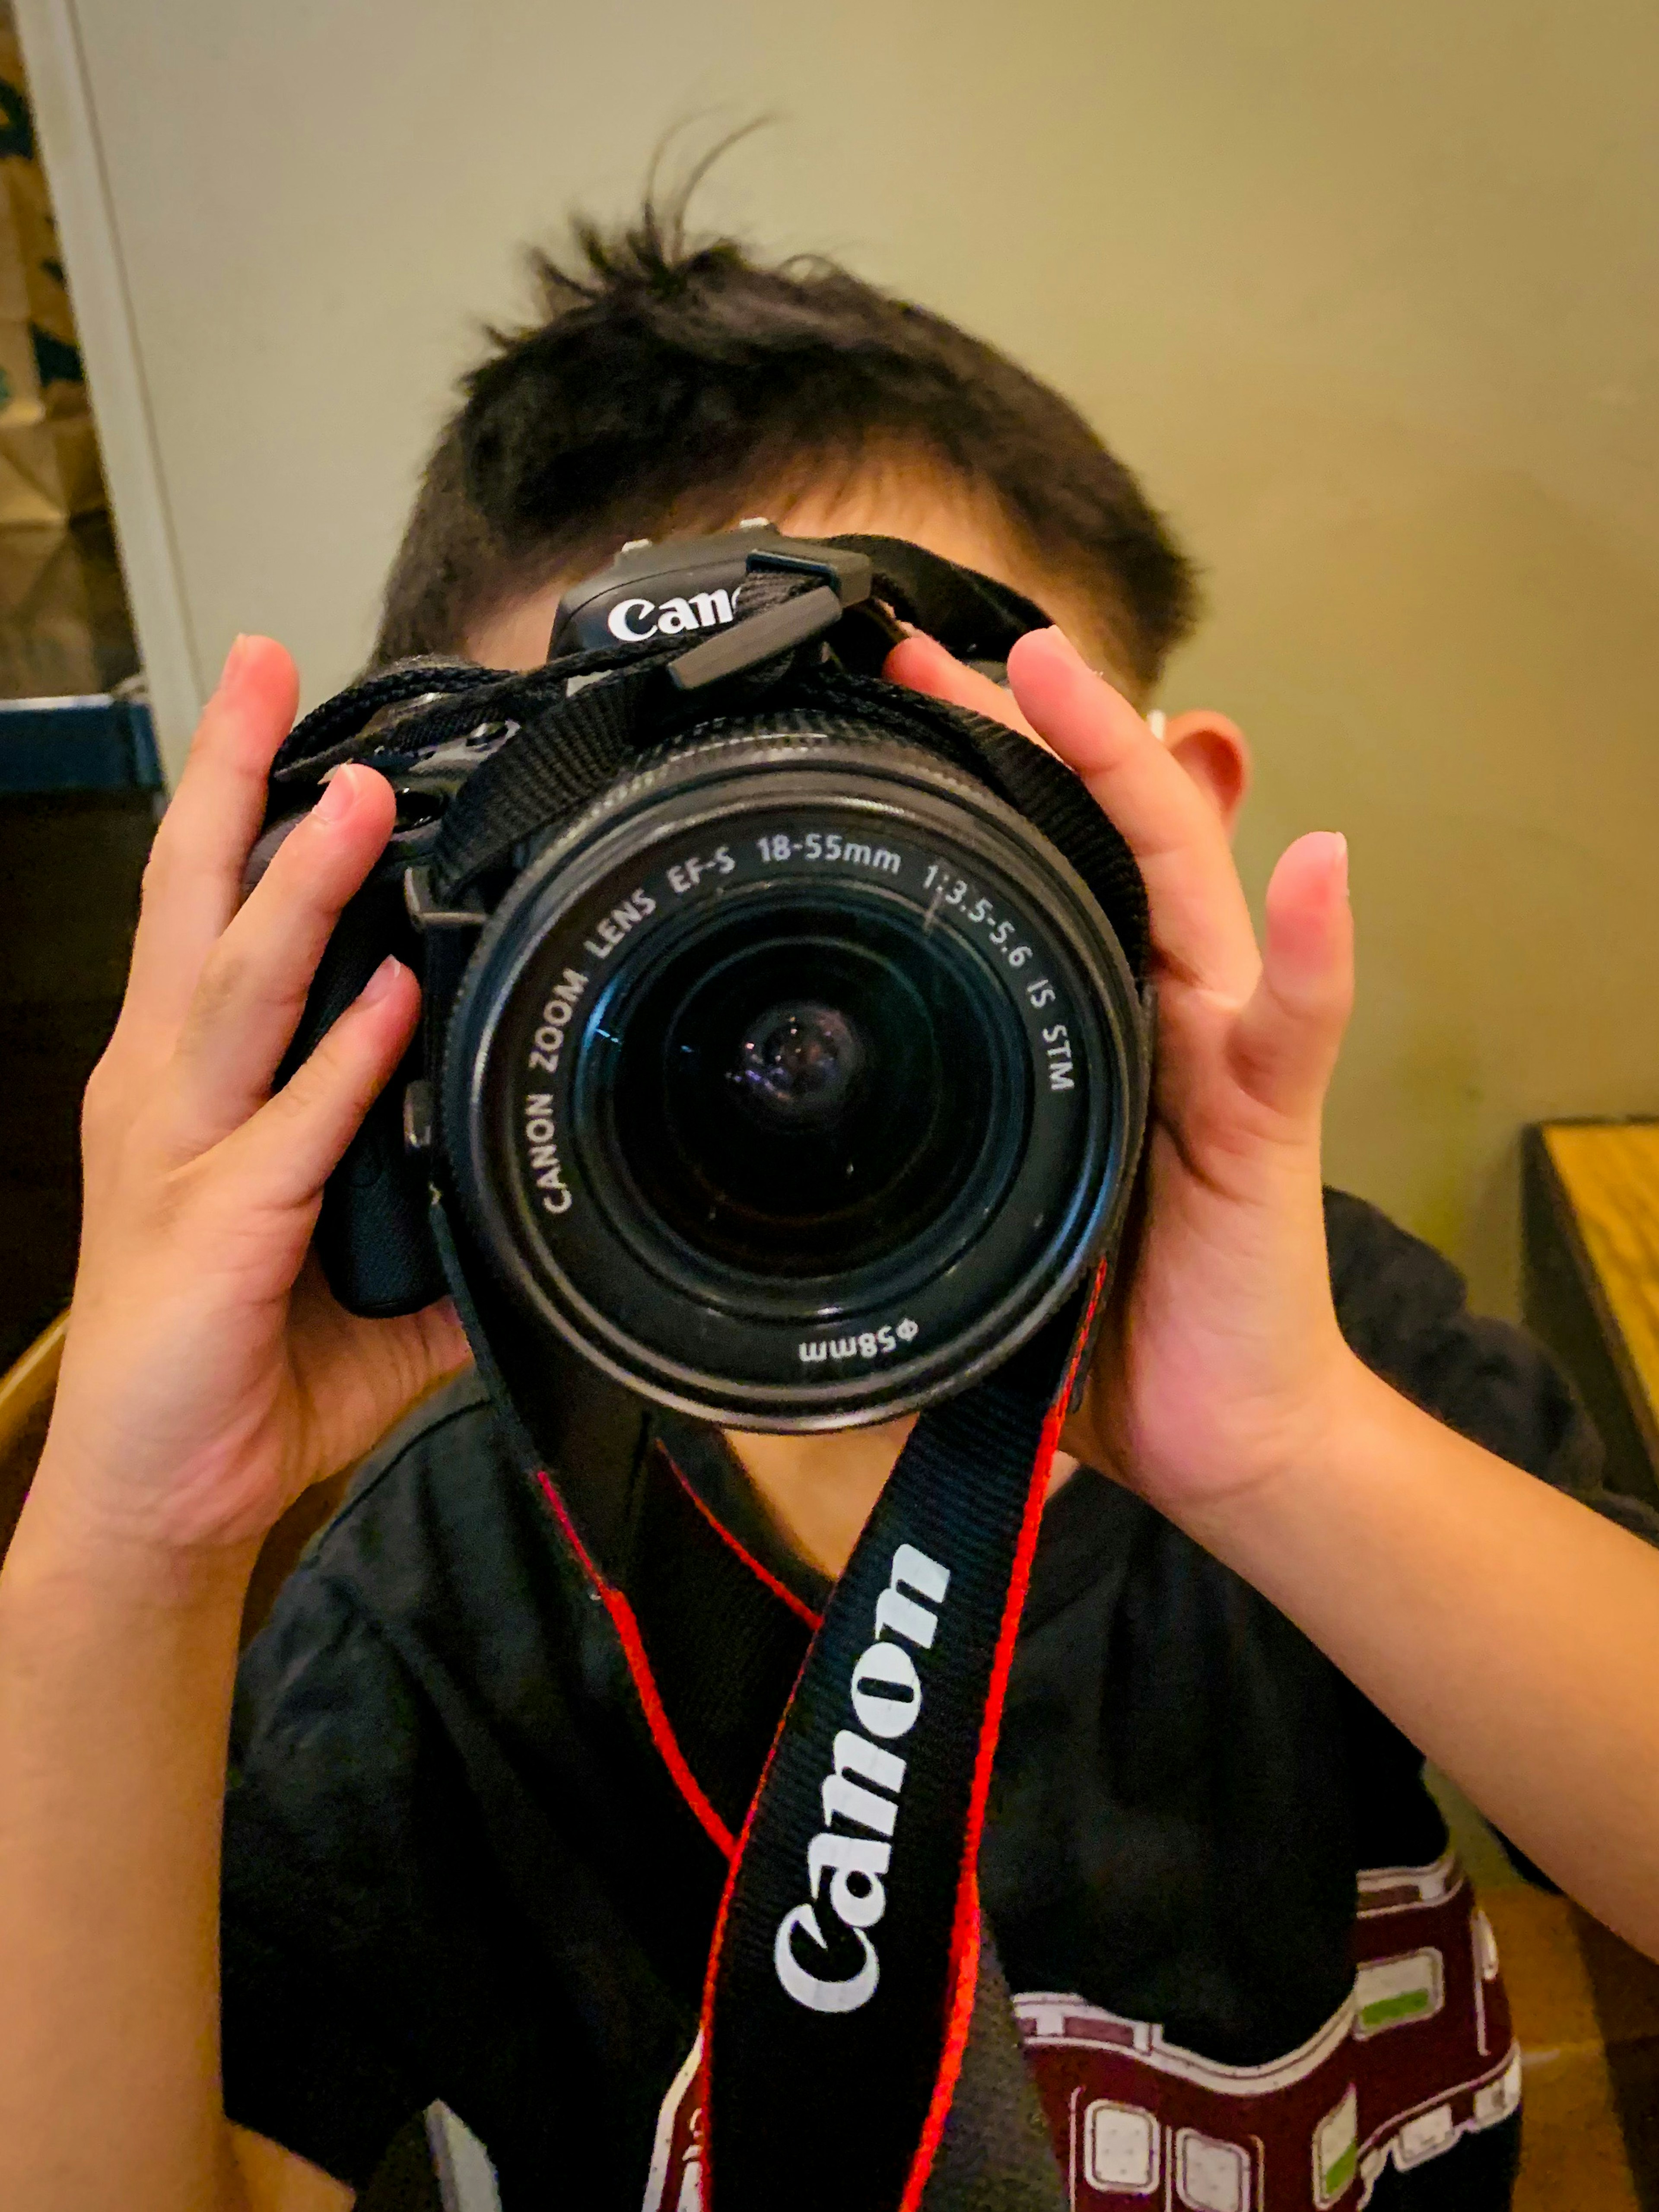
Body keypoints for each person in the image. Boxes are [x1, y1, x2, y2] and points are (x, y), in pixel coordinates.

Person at [4, 200, 1658, 2212]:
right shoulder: (436, 1610)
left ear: (1161, 829)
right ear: (451, 958)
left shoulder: (1341, 1357)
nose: (800, 941)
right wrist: (122, 1565)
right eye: (654, 852)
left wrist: (1285, 1444)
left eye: (906, 789)